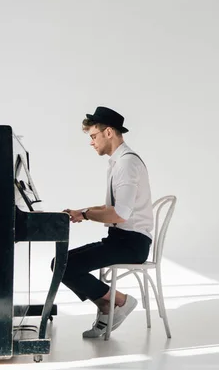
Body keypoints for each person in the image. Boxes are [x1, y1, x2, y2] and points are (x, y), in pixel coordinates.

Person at [52, 106, 154, 338]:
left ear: (109, 133)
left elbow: (120, 215)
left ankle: (118, 302)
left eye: (93, 136)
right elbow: (111, 209)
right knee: (61, 262)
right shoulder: (119, 163)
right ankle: (108, 305)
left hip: (131, 244)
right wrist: (82, 211)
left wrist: (87, 215)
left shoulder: (127, 164)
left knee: (63, 265)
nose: (91, 142)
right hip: (122, 240)